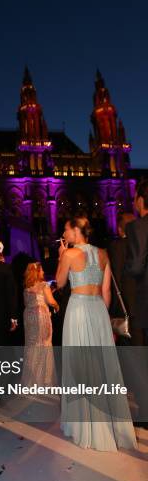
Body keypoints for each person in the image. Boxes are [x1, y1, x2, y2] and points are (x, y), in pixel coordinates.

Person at [56, 217, 137, 451]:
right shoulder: (103, 254)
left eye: (66, 229)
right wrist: (105, 320)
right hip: (99, 309)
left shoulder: (69, 254)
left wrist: (63, 254)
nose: (63, 232)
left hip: (79, 309)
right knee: (102, 365)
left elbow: (60, 283)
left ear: (75, 231)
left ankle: (85, 425)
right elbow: (107, 291)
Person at [21, 262, 59, 387]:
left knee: (32, 345)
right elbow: (50, 301)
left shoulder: (27, 287)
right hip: (40, 317)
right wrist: (57, 305)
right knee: (45, 343)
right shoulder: (43, 285)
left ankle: (32, 379)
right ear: (37, 272)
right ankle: (44, 378)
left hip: (28, 317)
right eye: (42, 270)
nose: (43, 272)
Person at [108, 212, 143, 345]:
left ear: (119, 229)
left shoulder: (118, 247)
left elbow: (115, 277)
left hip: (128, 307)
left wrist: (113, 309)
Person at [125, 179, 148, 345]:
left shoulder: (138, 226)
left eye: (134, 198)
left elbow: (136, 266)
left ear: (140, 200)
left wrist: (126, 267)